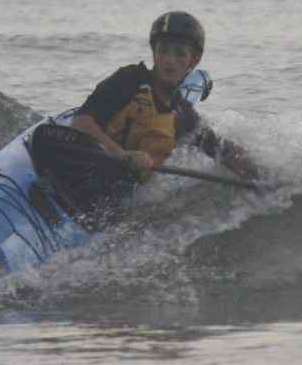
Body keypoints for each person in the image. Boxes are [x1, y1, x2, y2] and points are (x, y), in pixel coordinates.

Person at [50, 12, 259, 224]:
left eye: (179, 53)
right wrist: (122, 153)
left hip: (111, 205)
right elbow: (81, 123)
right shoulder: (129, 80)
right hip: (75, 180)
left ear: (194, 60)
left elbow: (224, 152)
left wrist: (267, 177)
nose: (169, 60)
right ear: (153, 52)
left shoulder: (183, 116)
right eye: (163, 50)